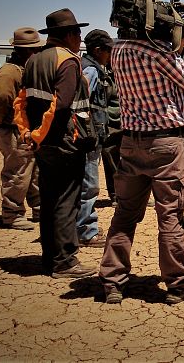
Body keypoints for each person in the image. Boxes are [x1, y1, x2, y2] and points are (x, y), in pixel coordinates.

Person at [99, 18, 184, 304]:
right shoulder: (157, 52)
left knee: (124, 214)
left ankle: (112, 282)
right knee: (170, 215)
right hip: (166, 145)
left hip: (131, 142)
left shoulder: (118, 49)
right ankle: (177, 285)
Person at [12, 9, 97, 279]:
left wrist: (27, 132)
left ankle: (50, 258)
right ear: (70, 35)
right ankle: (65, 261)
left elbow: (21, 101)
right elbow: (60, 105)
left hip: (44, 143)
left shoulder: (34, 61)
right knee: (66, 202)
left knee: (49, 200)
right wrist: (38, 134)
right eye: (78, 33)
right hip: (65, 142)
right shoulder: (68, 62)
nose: (80, 38)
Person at [0, 27, 43, 230]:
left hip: (27, 130)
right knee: (18, 172)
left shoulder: (25, 69)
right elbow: (1, 99)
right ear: (26, 51)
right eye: (36, 50)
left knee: (34, 172)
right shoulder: (10, 72)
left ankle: (38, 209)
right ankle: (12, 213)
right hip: (13, 130)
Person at [77, 29, 114, 247]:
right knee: (89, 184)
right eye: (108, 50)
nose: (110, 55)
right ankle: (86, 231)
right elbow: (83, 103)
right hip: (89, 135)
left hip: (89, 133)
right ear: (98, 50)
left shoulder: (89, 66)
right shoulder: (90, 70)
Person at [100, 54, 122, 207]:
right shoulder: (106, 80)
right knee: (111, 162)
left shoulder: (127, 79)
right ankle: (114, 195)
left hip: (126, 126)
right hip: (111, 126)